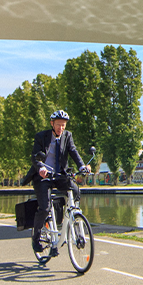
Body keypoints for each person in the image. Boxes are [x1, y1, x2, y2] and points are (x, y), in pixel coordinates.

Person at [23, 110, 91, 256]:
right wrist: (40, 167)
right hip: (43, 176)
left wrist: (82, 166)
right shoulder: (41, 137)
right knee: (45, 207)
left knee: (76, 190)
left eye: (64, 125)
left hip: (60, 175)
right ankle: (36, 239)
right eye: (58, 125)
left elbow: (73, 152)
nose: (61, 128)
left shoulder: (68, 136)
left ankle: (72, 216)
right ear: (52, 124)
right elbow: (35, 157)